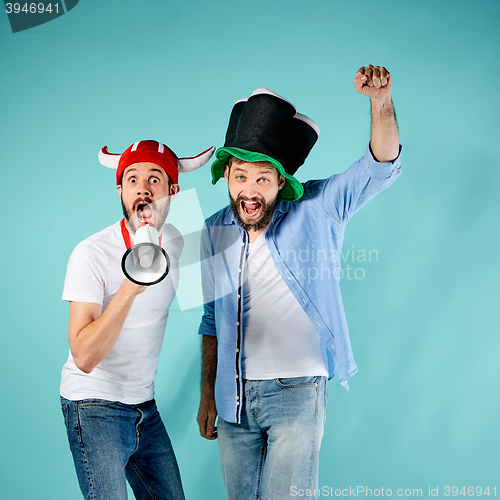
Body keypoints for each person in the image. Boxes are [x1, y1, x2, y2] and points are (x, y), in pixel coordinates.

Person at [196, 65, 401, 499]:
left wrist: (380, 103)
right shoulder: (214, 229)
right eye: (240, 176)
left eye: (262, 179)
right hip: (233, 398)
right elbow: (210, 320)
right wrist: (207, 394)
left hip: (296, 392)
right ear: (226, 176)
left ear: (281, 182)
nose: (249, 191)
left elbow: (379, 167)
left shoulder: (318, 207)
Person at [60, 140, 214, 500]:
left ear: (173, 190)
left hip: (145, 406)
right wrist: (131, 288)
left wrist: (209, 393)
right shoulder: (91, 252)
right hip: (93, 404)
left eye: (155, 179)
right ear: (120, 189)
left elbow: (214, 309)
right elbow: (83, 357)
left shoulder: (180, 238)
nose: (142, 188)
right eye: (132, 179)